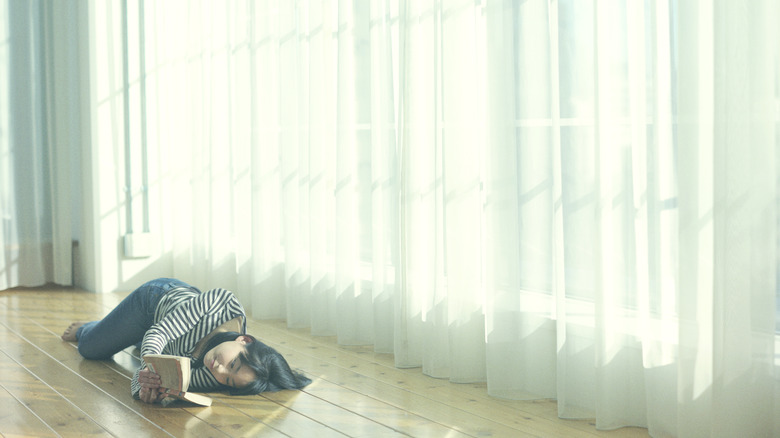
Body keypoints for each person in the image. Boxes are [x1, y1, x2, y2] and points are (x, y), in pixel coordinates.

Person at [61, 278, 311, 403]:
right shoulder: (219, 302)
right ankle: (91, 327)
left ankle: (123, 333)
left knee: (144, 347)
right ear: (244, 339)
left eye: (228, 379)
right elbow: (158, 334)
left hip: (166, 338)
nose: (219, 370)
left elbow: (160, 379)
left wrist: (144, 389)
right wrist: (150, 366)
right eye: (231, 365)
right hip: (153, 302)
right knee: (89, 348)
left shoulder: (214, 375)